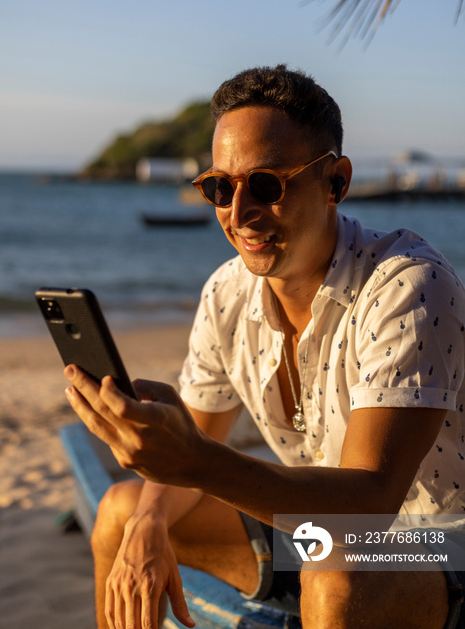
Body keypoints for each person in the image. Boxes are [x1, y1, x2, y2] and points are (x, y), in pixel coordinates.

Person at [64, 64, 465, 629]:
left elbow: (371, 505)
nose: (238, 211)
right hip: (314, 538)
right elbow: (199, 433)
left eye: (268, 185)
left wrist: (198, 464)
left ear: (337, 182)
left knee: (337, 570)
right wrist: (151, 521)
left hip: (441, 548)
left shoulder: (407, 287)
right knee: (122, 514)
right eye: (219, 188)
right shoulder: (228, 293)